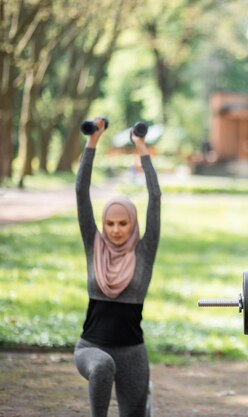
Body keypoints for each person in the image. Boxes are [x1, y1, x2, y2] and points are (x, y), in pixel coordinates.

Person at [74, 117, 161, 417]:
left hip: (133, 353)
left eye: (122, 223)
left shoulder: (144, 253)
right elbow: (81, 194)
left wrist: (142, 149)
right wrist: (92, 143)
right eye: (109, 223)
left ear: (132, 224)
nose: (115, 230)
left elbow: (156, 199)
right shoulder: (93, 246)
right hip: (91, 347)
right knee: (102, 366)